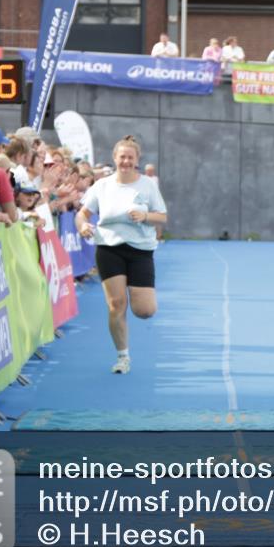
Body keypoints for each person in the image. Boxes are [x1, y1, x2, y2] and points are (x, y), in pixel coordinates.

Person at [76, 136, 167, 375]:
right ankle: (122, 357)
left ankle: (139, 303)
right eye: (122, 156)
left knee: (144, 311)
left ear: (137, 160)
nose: (125, 161)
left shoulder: (147, 185)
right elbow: (81, 214)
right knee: (116, 305)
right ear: (115, 158)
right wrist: (83, 226)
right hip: (109, 247)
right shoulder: (102, 185)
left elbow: (162, 216)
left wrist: (145, 217)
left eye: (130, 157)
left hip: (140, 250)